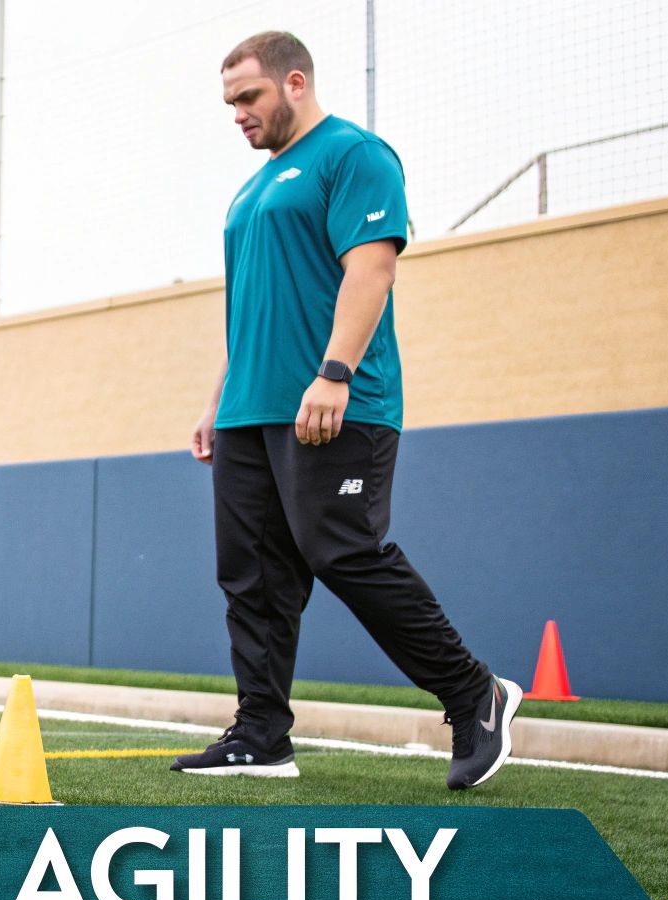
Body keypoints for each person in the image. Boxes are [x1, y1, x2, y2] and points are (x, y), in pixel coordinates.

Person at [173, 32, 522, 790]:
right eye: (229, 102)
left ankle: (474, 693)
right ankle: (261, 736)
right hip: (248, 412)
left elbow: (372, 269)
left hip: (336, 403)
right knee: (253, 577)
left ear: (294, 82)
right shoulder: (253, 190)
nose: (238, 113)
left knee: (344, 552)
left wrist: (334, 373)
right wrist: (218, 398)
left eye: (249, 96)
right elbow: (253, 306)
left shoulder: (354, 155)